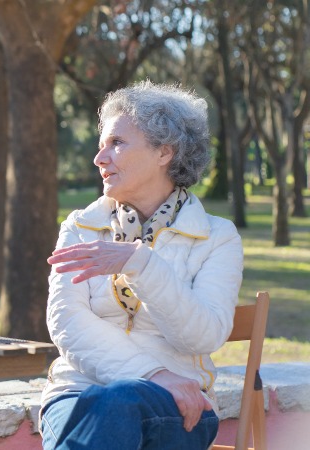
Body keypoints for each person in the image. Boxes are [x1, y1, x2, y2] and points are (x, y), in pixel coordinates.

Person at [39, 81, 243, 450]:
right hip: (77, 395)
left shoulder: (218, 237)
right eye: (101, 146)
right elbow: (66, 321)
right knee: (114, 403)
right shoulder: (79, 227)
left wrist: (142, 264)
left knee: (121, 403)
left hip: (179, 405)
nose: (100, 159)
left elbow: (204, 336)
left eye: (116, 143)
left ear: (164, 152)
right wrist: (153, 374)